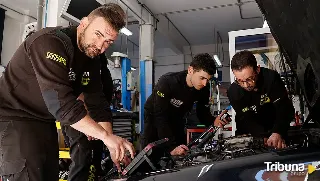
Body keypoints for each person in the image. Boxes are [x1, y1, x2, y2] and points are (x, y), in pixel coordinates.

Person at [0, 3, 135, 181]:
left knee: (48, 175)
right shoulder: (50, 42)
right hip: (14, 116)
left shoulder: (92, 57)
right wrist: (105, 137)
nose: (100, 46)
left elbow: (97, 103)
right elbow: (61, 104)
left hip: (44, 120)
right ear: (84, 24)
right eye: (98, 34)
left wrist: (111, 145)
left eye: (108, 42)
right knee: (29, 174)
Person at [142, 53, 230, 156]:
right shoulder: (167, 82)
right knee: (151, 152)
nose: (205, 83)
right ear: (190, 70)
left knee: (182, 151)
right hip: (154, 117)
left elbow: (202, 113)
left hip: (177, 119)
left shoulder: (203, 90)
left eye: (208, 79)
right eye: (202, 78)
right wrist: (171, 147)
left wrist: (213, 121)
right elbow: (160, 117)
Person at [61, 53, 116, 181]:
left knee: (94, 161)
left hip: (95, 117)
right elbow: (76, 95)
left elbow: (98, 98)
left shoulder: (98, 66)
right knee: (82, 159)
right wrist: (87, 120)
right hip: (80, 117)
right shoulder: (79, 62)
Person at [227, 50, 294, 149]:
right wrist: (258, 139)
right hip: (252, 135)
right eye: (240, 81)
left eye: (249, 79)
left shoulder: (271, 78)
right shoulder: (233, 92)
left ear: (257, 69)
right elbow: (245, 118)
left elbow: (283, 108)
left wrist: (277, 132)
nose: (245, 85)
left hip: (276, 129)